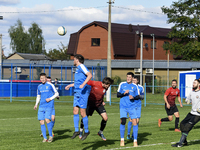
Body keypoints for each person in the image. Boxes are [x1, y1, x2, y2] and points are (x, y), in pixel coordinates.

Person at [65, 54, 92, 141]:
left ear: (77, 60)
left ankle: (87, 131)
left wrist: (83, 85)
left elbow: (89, 75)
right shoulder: (77, 69)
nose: (73, 61)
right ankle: (76, 130)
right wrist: (70, 85)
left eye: (74, 59)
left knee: (82, 112)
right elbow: (78, 82)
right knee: (75, 111)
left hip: (83, 93)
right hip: (77, 92)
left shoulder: (82, 66)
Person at [79, 77, 114, 141]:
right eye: (108, 85)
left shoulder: (106, 88)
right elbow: (86, 81)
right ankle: (81, 131)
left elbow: (101, 94)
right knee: (84, 117)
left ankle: (100, 132)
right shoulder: (95, 83)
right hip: (90, 104)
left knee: (105, 118)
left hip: (99, 104)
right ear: (105, 83)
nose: (109, 87)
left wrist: (102, 101)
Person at [172, 79, 200, 147]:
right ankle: (184, 142)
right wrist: (187, 100)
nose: (193, 84)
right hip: (191, 113)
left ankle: (180, 144)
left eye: (195, 83)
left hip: (198, 115)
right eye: (193, 83)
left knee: (187, 127)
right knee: (182, 124)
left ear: (198, 84)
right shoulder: (191, 92)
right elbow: (187, 99)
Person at [34, 73, 59, 142]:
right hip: (41, 106)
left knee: (47, 119)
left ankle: (51, 136)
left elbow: (57, 93)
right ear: (40, 79)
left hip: (49, 105)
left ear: (46, 78)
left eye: (44, 78)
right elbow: (38, 96)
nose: (42, 79)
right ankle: (45, 138)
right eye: (41, 78)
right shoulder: (39, 86)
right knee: (41, 121)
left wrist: (50, 99)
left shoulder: (50, 85)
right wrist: (36, 104)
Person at [117, 72, 139, 147]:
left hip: (132, 107)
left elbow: (138, 97)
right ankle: (122, 140)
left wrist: (133, 97)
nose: (128, 78)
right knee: (123, 121)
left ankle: (135, 141)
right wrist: (123, 93)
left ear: (132, 78)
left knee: (135, 122)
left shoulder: (135, 86)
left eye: (130, 77)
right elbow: (117, 95)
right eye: (127, 77)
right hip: (123, 106)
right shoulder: (122, 84)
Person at [127, 77, 144, 143]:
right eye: (133, 80)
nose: (133, 81)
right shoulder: (130, 87)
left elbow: (142, 97)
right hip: (131, 104)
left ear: (137, 81)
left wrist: (138, 95)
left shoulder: (141, 87)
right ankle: (128, 134)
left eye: (135, 80)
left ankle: (133, 135)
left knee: (137, 120)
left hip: (138, 105)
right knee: (131, 120)